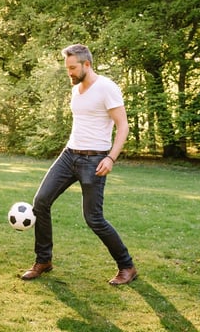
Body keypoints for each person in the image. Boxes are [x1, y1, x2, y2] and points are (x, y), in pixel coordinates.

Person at [21, 44, 137, 285]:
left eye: (73, 68)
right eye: (67, 68)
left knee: (94, 218)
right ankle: (44, 260)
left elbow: (123, 126)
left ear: (87, 64)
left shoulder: (107, 88)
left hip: (95, 160)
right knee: (41, 203)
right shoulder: (76, 90)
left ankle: (127, 266)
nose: (69, 73)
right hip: (69, 155)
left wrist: (111, 157)